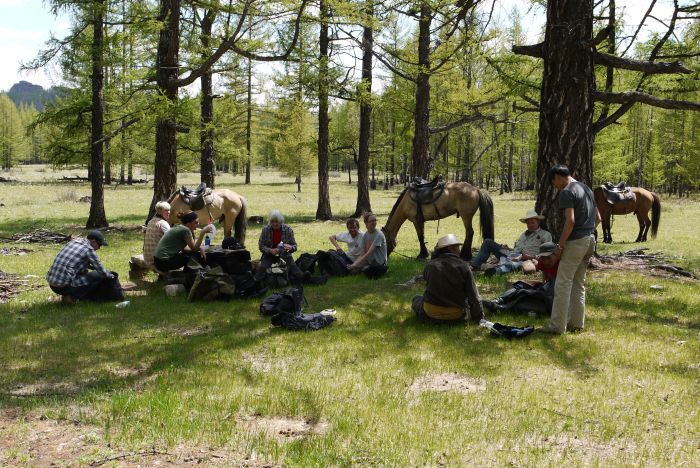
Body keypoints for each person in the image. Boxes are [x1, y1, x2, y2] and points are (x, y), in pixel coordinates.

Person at [541, 164, 601, 334]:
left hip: (576, 242)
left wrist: (560, 246)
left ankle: (557, 327)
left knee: (563, 283)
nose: (555, 187)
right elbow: (598, 218)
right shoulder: (586, 189)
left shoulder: (567, 191)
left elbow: (571, 221)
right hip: (590, 240)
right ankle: (576, 323)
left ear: (559, 177)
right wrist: (587, 232)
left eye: (554, 183)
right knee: (578, 283)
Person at [412, 234, 484, 323]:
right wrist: (479, 318)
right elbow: (473, 296)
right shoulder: (464, 266)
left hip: (430, 315)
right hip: (455, 316)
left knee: (416, 298)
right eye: (458, 247)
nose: (459, 250)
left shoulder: (430, 265)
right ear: (451, 248)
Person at [471, 209, 552, 275]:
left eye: (532, 222)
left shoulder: (545, 234)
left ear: (538, 222)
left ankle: (495, 271)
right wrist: (508, 248)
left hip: (527, 260)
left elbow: (547, 254)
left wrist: (529, 257)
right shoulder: (524, 234)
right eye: (528, 223)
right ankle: (475, 266)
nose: (530, 225)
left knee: (513, 265)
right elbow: (517, 249)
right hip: (512, 255)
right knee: (488, 242)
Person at [47, 230, 113, 304]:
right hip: (64, 286)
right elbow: (102, 272)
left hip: (52, 283)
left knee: (86, 274)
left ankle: (68, 295)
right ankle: (71, 297)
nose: (99, 248)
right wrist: (111, 276)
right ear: (94, 241)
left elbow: (73, 261)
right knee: (97, 275)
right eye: (99, 245)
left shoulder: (74, 241)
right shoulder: (89, 250)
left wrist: (89, 266)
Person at [254, 210, 307, 284]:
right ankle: (254, 282)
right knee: (262, 267)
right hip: (269, 255)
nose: (274, 224)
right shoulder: (265, 230)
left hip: (285, 255)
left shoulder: (288, 230)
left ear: (281, 221)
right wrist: (270, 250)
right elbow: (261, 245)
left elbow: (295, 246)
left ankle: (305, 279)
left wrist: (291, 248)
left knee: (293, 267)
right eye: (272, 222)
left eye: (276, 222)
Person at [348, 212, 388, 278]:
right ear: (366, 223)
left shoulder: (379, 234)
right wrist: (354, 264)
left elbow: (369, 253)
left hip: (379, 264)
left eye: (375, 220)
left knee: (367, 272)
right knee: (352, 272)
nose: (374, 222)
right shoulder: (365, 235)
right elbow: (362, 254)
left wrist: (354, 265)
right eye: (371, 221)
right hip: (370, 262)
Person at [143, 201, 171, 267]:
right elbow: (172, 239)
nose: (169, 212)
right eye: (166, 210)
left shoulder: (151, 221)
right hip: (157, 259)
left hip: (147, 258)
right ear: (160, 212)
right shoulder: (163, 223)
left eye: (169, 210)